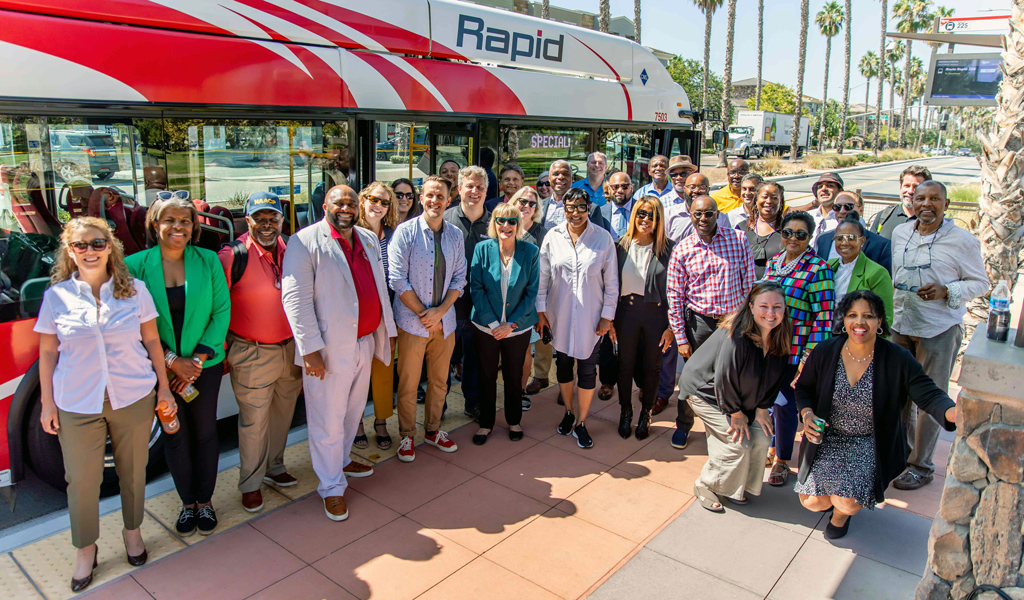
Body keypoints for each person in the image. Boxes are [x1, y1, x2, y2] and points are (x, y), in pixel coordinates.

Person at [35, 217, 173, 592]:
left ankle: (132, 532)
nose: (90, 251)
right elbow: (47, 352)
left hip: (132, 397)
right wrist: (48, 403)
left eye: (97, 243)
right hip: (77, 403)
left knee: (132, 471)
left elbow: (152, 343)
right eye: (81, 245)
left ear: (110, 247)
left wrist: (164, 389)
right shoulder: (56, 297)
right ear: (69, 250)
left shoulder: (135, 291)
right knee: (81, 481)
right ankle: (86, 548)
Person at [795, 290, 956, 539]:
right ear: (844, 320)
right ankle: (834, 501)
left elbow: (929, 393)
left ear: (879, 321)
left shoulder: (897, 358)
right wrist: (806, 414)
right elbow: (804, 387)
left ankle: (841, 516)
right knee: (813, 503)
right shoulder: (826, 351)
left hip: (869, 441)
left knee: (846, 502)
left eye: (868, 316)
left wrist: (951, 412)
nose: (860, 322)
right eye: (852, 315)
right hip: (828, 437)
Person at [282, 185, 396, 521]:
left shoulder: (368, 238)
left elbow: (377, 287)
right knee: (327, 420)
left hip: (364, 342)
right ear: (324, 205)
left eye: (350, 202)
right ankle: (331, 487)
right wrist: (310, 351)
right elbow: (296, 301)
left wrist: (386, 333)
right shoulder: (304, 241)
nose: (344, 208)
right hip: (328, 349)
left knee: (351, 412)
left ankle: (343, 461)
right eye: (338, 202)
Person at [126, 197, 230, 537]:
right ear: (155, 225)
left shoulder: (209, 261)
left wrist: (196, 360)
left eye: (185, 220)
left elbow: (220, 313)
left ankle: (205, 501)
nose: (177, 226)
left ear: (194, 226)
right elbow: (130, 322)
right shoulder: (134, 266)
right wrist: (172, 361)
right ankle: (187, 504)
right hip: (159, 369)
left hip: (204, 366)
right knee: (174, 435)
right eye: (169, 220)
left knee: (205, 433)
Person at [890, 180, 988, 491]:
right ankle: (899, 456)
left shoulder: (962, 241)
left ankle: (921, 466)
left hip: (938, 329)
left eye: (935, 198)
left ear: (946, 203)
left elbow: (980, 283)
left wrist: (949, 291)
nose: (926, 204)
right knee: (898, 396)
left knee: (929, 400)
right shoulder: (900, 233)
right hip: (901, 325)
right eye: (920, 198)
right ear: (912, 201)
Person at [217, 192, 302, 513]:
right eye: (259, 218)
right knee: (254, 422)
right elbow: (217, 305)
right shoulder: (232, 255)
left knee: (283, 415)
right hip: (251, 351)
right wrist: (224, 351)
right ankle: (250, 484)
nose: (267, 225)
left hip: (290, 348)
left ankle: (274, 467)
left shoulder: (292, 247)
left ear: (282, 220)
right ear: (247, 220)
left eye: (273, 218)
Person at [684, 282, 792, 512]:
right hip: (708, 393)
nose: (771, 313)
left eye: (777, 307)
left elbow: (775, 377)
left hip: (741, 398)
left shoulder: (780, 334)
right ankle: (706, 484)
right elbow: (724, 379)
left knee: (762, 437)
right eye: (764, 306)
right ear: (751, 307)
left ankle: (735, 486)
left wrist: (763, 408)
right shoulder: (737, 335)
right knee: (738, 444)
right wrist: (735, 413)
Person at [666, 195, 756, 450]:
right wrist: (681, 338)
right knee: (691, 376)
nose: (703, 219)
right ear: (690, 215)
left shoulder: (737, 240)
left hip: (732, 322)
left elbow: (749, 285)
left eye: (709, 214)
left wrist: (745, 322)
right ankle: (683, 425)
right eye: (698, 214)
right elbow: (674, 295)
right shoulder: (682, 248)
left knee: (731, 376)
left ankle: (725, 427)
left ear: (718, 214)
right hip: (700, 324)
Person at [390, 175, 467, 462]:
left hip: (444, 324)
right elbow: (397, 279)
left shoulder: (455, 235)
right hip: (413, 323)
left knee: (439, 382)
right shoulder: (405, 232)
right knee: (409, 384)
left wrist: (441, 312)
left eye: (441, 196)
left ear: (449, 200)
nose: (435, 200)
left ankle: (433, 430)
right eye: (430, 195)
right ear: (421, 198)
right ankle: (407, 435)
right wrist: (425, 314)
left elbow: (460, 277)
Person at [537, 188, 618, 449]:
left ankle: (581, 422)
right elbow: (542, 279)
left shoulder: (603, 239)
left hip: (590, 320)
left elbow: (612, 284)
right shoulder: (553, 236)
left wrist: (607, 317)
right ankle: (568, 412)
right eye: (569, 207)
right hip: (558, 315)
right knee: (562, 366)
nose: (575, 213)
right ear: (563, 209)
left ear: (589, 208)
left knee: (586, 369)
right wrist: (541, 313)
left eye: (581, 207)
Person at [761, 210, 834, 488]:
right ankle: (772, 448)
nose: (793, 238)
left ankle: (782, 460)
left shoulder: (818, 269)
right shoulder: (775, 262)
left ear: (810, 236)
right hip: (769, 348)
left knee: (785, 406)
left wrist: (808, 357)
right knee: (770, 404)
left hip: (796, 351)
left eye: (800, 234)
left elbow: (824, 317)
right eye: (787, 232)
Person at [469, 203, 539, 444]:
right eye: (501, 220)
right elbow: (476, 288)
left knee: (513, 374)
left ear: (518, 224)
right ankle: (486, 423)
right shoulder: (482, 249)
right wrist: (491, 322)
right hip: (485, 327)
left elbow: (532, 293)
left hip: (517, 328)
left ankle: (514, 420)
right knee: (486, 374)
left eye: (511, 221)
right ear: (494, 223)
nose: (506, 226)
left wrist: (510, 325)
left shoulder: (530, 251)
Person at [608, 197, 675, 439]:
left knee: (652, 367)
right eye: (642, 214)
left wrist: (671, 326)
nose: (646, 220)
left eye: (652, 216)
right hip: (626, 313)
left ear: (659, 220)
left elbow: (676, 291)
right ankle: (626, 410)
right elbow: (609, 286)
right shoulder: (620, 245)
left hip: (656, 316)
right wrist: (610, 320)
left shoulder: (669, 249)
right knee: (624, 365)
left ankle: (646, 411)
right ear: (634, 215)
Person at [352, 182, 399, 450]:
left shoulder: (393, 233)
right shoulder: (351, 232)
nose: (378, 205)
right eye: (373, 199)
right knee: (357, 371)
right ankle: (356, 422)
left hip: (387, 312)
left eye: (384, 202)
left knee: (383, 368)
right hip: (358, 313)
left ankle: (381, 422)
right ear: (363, 200)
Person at [444, 166, 491, 420]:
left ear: (486, 191)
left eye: (480, 187)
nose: (474, 191)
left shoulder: (496, 222)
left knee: (475, 358)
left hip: (479, 306)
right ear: (459, 189)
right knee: (443, 360)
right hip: (448, 305)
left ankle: (472, 402)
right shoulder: (445, 218)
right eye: (469, 186)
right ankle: (438, 406)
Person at [595, 171, 637, 400]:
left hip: (635, 278)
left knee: (631, 332)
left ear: (632, 188)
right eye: (615, 187)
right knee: (607, 329)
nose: (620, 190)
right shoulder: (599, 213)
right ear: (607, 190)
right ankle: (607, 381)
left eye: (625, 186)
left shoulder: (642, 211)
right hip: (605, 280)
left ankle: (633, 379)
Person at [828, 212, 894, 325]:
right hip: (827, 334)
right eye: (839, 238)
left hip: (859, 336)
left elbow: (885, 317)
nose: (844, 242)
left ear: (862, 241)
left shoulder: (877, 272)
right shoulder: (828, 267)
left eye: (851, 238)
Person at [814, 191, 893, 274]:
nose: (842, 211)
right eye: (837, 207)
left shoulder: (881, 245)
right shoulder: (822, 239)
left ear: (861, 210)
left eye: (848, 206)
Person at [738, 181, 786, 279]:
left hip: (776, 290)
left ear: (781, 203)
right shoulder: (741, 229)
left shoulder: (787, 231)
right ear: (756, 200)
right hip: (746, 290)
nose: (769, 201)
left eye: (774, 198)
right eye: (764, 197)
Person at [870, 165, 931, 240]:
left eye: (916, 187)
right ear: (901, 186)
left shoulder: (931, 221)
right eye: (907, 186)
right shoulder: (884, 216)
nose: (910, 191)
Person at [665, 174, 731, 242]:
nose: (696, 191)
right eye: (692, 187)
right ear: (684, 189)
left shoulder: (721, 218)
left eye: (702, 187)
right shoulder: (669, 215)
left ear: (708, 190)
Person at [808, 172, 844, 243]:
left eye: (830, 185)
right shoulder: (807, 216)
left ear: (840, 191)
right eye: (820, 187)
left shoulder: (846, 219)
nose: (823, 189)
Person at [541, 159, 573, 230]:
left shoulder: (588, 208)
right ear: (549, 179)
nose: (560, 177)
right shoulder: (539, 206)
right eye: (556, 174)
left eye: (565, 174)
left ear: (572, 178)